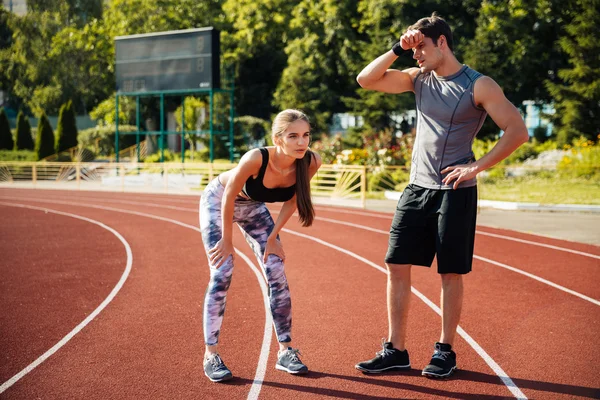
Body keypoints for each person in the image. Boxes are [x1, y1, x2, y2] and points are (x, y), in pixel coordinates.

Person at [354, 13, 528, 379]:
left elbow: (517, 130)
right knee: (396, 265)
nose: (416, 55)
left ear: (442, 43)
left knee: (449, 272)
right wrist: (397, 48)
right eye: (412, 49)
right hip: (417, 189)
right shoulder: (419, 79)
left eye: (420, 48)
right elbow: (365, 80)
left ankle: (445, 350)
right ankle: (395, 350)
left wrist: (476, 167)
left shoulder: (479, 85)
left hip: (454, 191)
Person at [199, 109, 322, 382]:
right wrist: (227, 241)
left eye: (305, 135)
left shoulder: (311, 161)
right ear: (277, 139)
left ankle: (286, 350)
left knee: (276, 268)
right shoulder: (256, 158)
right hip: (219, 201)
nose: (302, 142)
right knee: (222, 271)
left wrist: (272, 238)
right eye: (293, 136)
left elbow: (292, 201)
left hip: (254, 208)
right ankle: (211, 354)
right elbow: (229, 194)